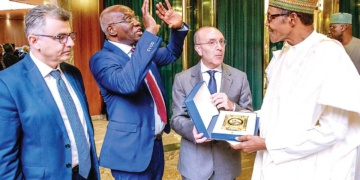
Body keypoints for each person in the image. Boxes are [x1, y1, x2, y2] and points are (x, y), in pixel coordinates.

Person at [230, 0, 360, 179]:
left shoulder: (329, 55)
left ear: (292, 18)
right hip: (274, 164)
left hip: (308, 169)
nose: (267, 23)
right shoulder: (286, 52)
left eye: (270, 17)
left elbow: (333, 130)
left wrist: (268, 144)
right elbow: (277, 110)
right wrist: (238, 119)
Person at [89, 0, 188, 179]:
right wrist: (149, 34)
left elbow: (171, 53)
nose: (137, 22)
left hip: (155, 145)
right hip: (130, 152)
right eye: (128, 19)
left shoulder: (141, 53)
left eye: (135, 17)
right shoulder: (102, 59)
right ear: (111, 30)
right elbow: (127, 84)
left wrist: (178, 28)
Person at [0, 4, 100, 179]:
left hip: (86, 173)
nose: (71, 43)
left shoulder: (73, 73)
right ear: (34, 41)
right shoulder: (8, 83)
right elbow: (5, 156)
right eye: (60, 37)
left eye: (70, 35)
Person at [171, 26, 253, 180]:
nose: (219, 47)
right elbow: (176, 119)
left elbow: (249, 118)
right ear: (198, 49)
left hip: (226, 163)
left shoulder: (239, 77)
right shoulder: (182, 79)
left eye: (222, 42)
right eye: (212, 43)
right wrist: (192, 130)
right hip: (194, 164)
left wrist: (232, 106)